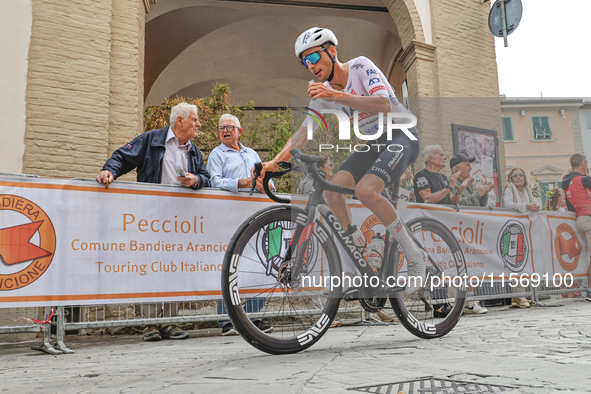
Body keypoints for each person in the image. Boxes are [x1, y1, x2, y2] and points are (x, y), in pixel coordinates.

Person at [261, 27, 428, 297]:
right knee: (332, 190)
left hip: (402, 133)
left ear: (332, 51)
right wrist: (274, 162)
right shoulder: (323, 94)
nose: (310, 66)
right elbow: (303, 133)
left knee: (366, 190)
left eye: (314, 57)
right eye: (305, 62)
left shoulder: (360, 66)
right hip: (375, 142)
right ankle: (358, 263)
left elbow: (384, 103)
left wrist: (334, 96)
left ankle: (416, 257)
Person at [97, 102, 211, 341]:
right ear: (180, 120)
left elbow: (207, 179)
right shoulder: (152, 140)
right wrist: (110, 171)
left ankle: (170, 322)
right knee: (150, 266)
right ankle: (149, 323)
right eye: (194, 119)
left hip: (181, 220)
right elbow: (122, 156)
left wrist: (196, 180)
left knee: (174, 268)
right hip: (151, 217)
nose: (198, 124)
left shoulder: (194, 151)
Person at [206, 114, 273, 335]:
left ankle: (254, 318)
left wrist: (266, 185)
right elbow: (215, 181)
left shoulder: (252, 153)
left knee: (262, 261)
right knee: (227, 264)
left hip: (256, 214)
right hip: (229, 216)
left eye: (229, 127)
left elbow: (268, 179)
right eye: (221, 128)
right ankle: (227, 321)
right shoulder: (217, 154)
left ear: (239, 131)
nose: (225, 131)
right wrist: (243, 183)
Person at [450, 152, 495, 314]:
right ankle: (465, 301)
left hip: (472, 229)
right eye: (467, 164)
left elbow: (479, 204)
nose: (470, 167)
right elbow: (457, 203)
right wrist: (478, 193)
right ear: (457, 167)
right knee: (463, 265)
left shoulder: (471, 182)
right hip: (460, 230)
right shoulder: (453, 183)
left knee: (473, 265)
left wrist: (485, 192)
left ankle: (471, 299)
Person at [502, 167, 540, 309]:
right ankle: (518, 295)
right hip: (512, 229)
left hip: (525, 229)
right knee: (516, 261)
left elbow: (537, 204)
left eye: (521, 175)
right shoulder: (509, 188)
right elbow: (508, 204)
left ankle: (519, 295)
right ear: (511, 178)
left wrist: (535, 206)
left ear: (524, 178)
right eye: (514, 175)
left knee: (524, 261)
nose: (518, 177)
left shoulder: (527, 191)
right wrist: (526, 206)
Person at [562, 154, 591, 300]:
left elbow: (569, 207)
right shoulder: (584, 180)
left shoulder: (567, 182)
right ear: (583, 164)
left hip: (580, 219)